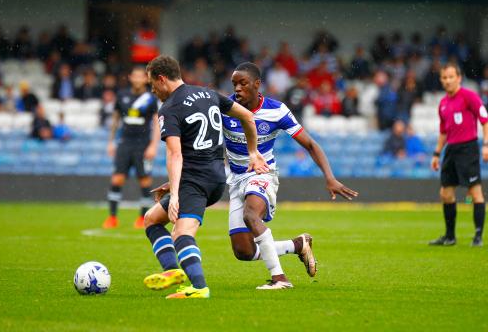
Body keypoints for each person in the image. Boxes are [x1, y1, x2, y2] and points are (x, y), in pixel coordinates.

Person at [151, 62, 357, 290]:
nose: (237, 88)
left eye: (242, 83)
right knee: (243, 251)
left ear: (257, 84)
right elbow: (204, 146)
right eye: (234, 84)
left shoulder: (276, 110)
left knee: (251, 214)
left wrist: (329, 177)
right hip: (235, 179)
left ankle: (279, 279)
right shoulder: (222, 107)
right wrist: (176, 181)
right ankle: (298, 245)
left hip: (262, 173)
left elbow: (310, 144)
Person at [141, 56, 269, 299]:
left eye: (152, 84)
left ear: (162, 79)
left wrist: (176, 194)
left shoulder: (169, 109)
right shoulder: (208, 94)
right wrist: (254, 152)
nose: (153, 90)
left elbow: (175, 154)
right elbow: (248, 117)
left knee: (181, 234)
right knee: (152, 219)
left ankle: (199, 288)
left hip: (194, 182)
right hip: (215, 177)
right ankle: (172, 272)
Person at [430, 62, 488, 247]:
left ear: (459, 78)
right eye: (444, 77)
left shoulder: (469, 96)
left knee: (474, 192)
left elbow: (485, 120)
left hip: (468, 149)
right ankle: (450, 237)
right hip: (451, 150)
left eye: (451, 77)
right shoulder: (442, 104)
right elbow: (443, 131)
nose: (447, 80)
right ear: (441, 80)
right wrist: (436, 153)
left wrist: (487, 144)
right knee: (446, 193)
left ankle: (478, 236)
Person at [103, 66, 160, 229]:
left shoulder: (150, 98)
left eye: (140, 76)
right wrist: (111, 142)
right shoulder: (122, 95)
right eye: (134, 76)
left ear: (146, 79)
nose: (137, 79)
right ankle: (112, 217)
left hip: (143, 144)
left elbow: (156, 123)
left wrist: (153, 146)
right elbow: (115, 120)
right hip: (125, 143)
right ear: (130, 77)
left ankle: (142, 218)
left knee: (144, 180)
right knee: (117, 179)